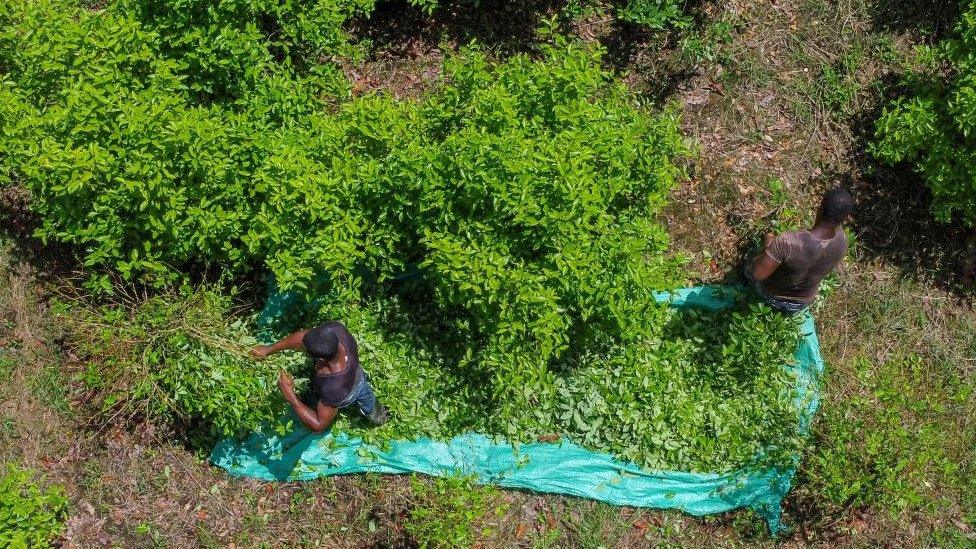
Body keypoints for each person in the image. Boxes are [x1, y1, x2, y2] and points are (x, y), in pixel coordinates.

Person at [251, 322, 388, 432]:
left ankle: (380, 417)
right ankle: (310, 401)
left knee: (367, 402)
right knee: (312, 397)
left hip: (350, 389)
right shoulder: (335, 330)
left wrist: (290, 395)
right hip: (352, 371)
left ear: (321, 358)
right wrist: (269, 349)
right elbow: (303, 338)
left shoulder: (334, 387)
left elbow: (319, 425)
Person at [746, 187, 854, 314]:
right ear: (845, 218)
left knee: (751, 260)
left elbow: (757, 274)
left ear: (820, 209)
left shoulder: (787, 242)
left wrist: (768, 246)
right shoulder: (842, 241)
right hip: (800, 305)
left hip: (771, 298)